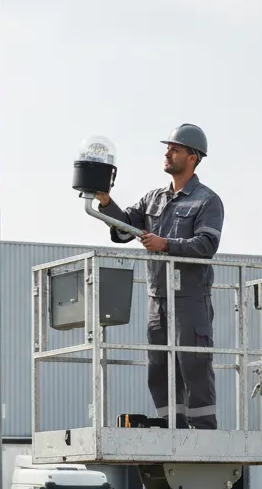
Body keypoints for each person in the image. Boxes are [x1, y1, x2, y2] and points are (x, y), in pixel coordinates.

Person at [94, 124, 224, 429]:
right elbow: (124, 228)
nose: (167, 153)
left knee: (193, 363)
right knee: (159, 366)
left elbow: (207, 245)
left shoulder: (207, 201)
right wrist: (105, 201)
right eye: (167, 148)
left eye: (175, 149)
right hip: (158, 298)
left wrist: (165, 244)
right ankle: (171, 426)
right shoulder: (153, 198)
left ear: (192, 158)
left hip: (190, 298)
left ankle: (204, 431)